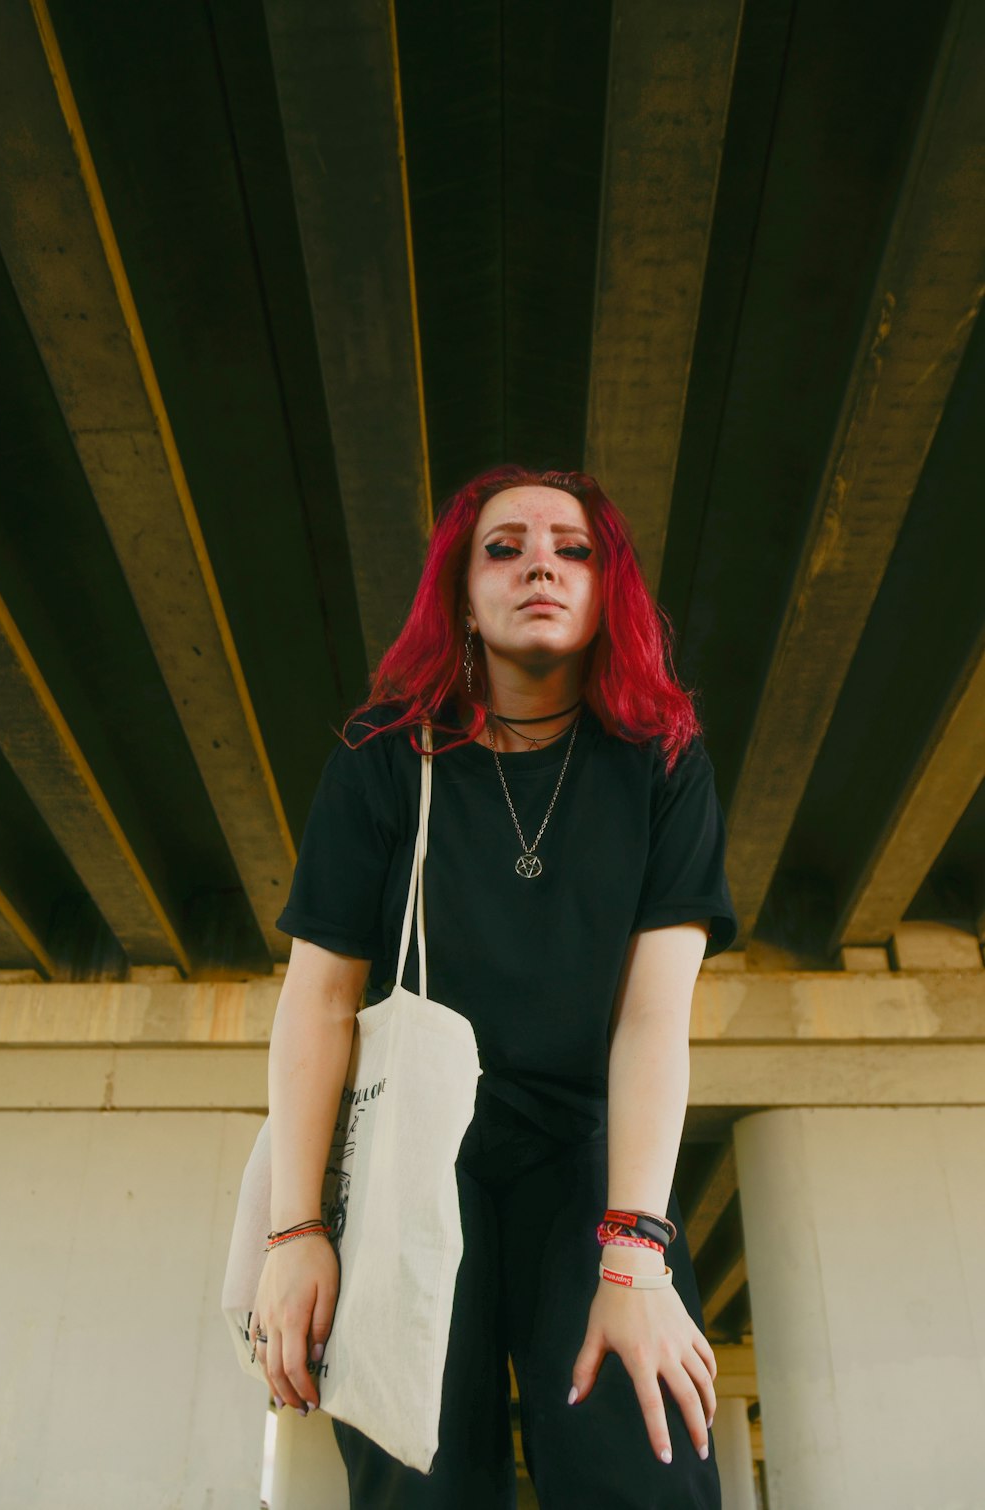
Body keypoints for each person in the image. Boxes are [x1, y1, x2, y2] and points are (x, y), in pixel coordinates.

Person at [250, 464, 738, 1508]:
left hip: (585, 1158)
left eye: (572, 548)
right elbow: (318, 1001)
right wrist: (297, 1234)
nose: (540, 567)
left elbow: (654, 1021)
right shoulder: (384, 755)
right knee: (420, 1481)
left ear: (609, 588)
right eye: (503, 548)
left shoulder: (661, 763)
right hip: (411, 1157)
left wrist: (637, 1253)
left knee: (644, 1461)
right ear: (460, 593)